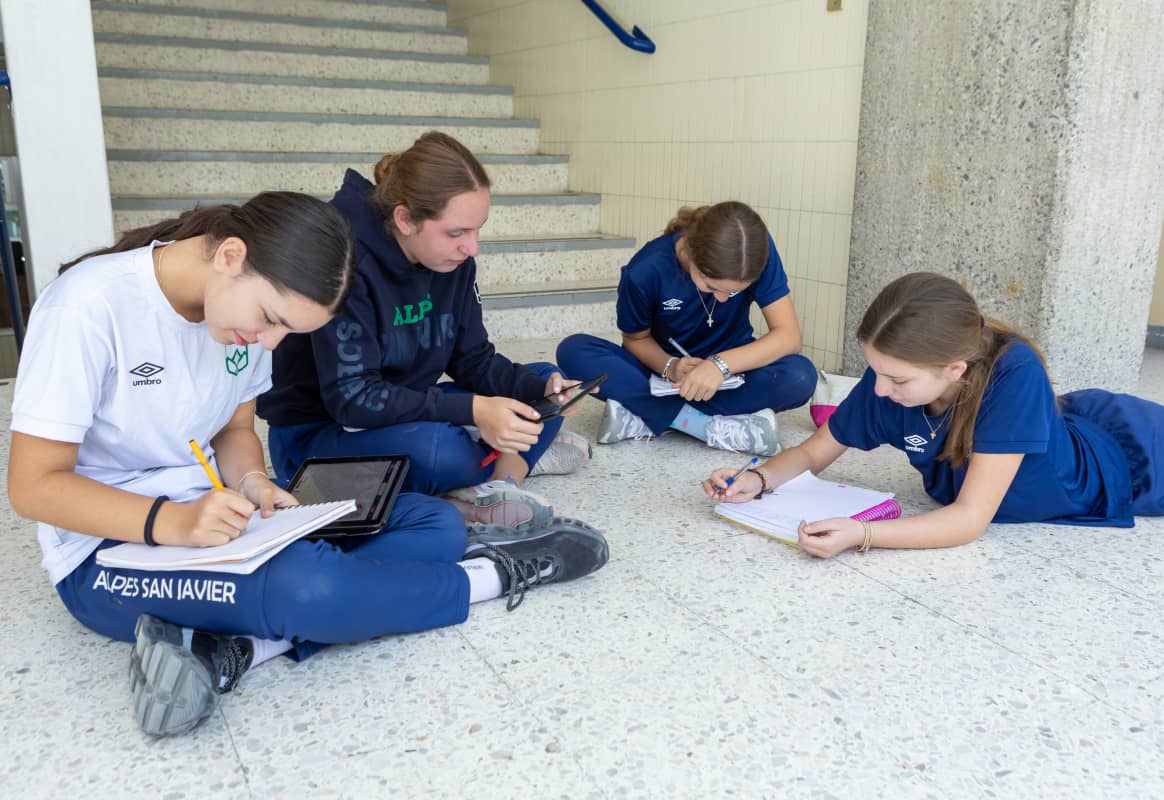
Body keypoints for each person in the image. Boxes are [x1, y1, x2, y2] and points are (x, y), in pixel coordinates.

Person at [7, 192, 609, 737]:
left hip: (223, 519)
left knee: (434, 525)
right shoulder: (88, 305)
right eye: (271, 319)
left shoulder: (242, 318)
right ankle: (497, 575)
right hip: (105, 553)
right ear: (231, 256)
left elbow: (236, 429)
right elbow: (33, 486)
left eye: (285, 332)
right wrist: (176, 522)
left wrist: (253, 481)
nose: (269, 343)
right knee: (311, 586)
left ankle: (238, 645)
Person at [704, 271, 1164, 557]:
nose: (878, 389)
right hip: (1065, 425)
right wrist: (760, 479)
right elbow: (815, 450)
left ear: (954, 368)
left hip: (1139, 457)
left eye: (898, 379)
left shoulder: (1015, 373)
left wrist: (865, 534)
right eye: (874, 370)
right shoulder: (893, 381)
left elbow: (967, 519)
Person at [259, 132, 592, 530]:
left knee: (538, 383)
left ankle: (503, 479)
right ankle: (505, 460)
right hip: (320, 437)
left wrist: (539, 391)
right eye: (457, 233)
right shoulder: (344, 259)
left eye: (477, 230)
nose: (472, 248)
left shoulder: (453, 260)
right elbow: (353, 399)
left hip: (406, 410)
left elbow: (473, 358)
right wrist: (472, 410)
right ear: (404, 219)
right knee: (440, 452)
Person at [557, 201, 818, 456]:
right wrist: (670, 366)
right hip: (665, 375)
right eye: (711, 286)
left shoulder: (753, 252)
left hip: (732, 373)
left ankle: (648, 415)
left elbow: (788, 336)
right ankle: (704, 427)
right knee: (573, 350)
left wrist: (719, 365)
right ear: (692, 254)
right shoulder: (646, 270)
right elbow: (636, 340)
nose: (723, 298)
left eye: (734, 291)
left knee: (801, 376)